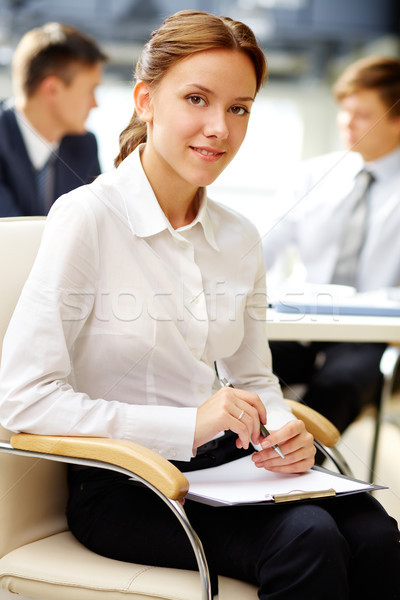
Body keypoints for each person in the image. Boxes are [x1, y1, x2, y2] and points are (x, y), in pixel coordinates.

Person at [0, 12, 399, 600]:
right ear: (145, 100)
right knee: (306, 538)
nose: (219, 127)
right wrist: (188, 425)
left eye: (239, 108)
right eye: (196, 99)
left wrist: (283, 430)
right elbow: (23, 397)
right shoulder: (87, 218)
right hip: (126, 484)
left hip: (229, 470)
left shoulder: (238, 237)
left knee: (376, 535)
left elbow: (254, 378)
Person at [263, 56, 400, 435]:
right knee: (241, 371)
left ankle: (304, 477)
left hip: (372, 339)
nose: (346, 122)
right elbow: (263, 249)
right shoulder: (312, 175)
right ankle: (238, 465)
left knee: (336, 389)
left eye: (361, 114)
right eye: (344, 111)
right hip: (303, 323)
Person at [0, 22, 107, 217]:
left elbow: (98, 226)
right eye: (90, 90)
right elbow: (9, 237)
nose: (95, 104)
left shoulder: (84, 146)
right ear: (52, 90)